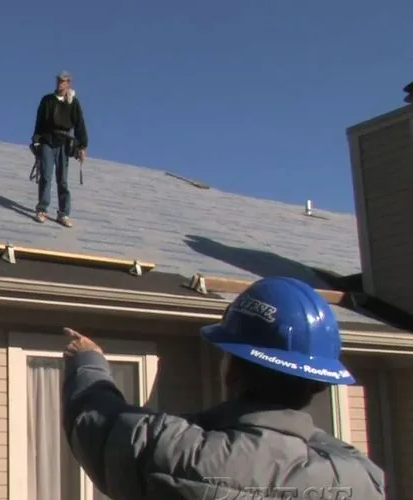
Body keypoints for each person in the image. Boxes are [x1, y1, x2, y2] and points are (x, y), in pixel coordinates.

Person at [61, 276, 385, 500]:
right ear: (317, 384)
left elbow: (96, 422)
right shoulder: (360, 480)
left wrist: (88, 359)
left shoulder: (175, 452)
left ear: (232, 373)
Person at [30, 71, 88, 227]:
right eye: (58, 81)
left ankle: (63, 213)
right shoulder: (47, 100)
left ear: (68, 83)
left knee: (62, 180)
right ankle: (42, 209)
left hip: (64, 142)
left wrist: (82, 146)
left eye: (63, 81)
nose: (60, 83)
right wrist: (36, 141)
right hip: (48, 140)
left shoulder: (73, 103)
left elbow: (80, 125)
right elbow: (39, 122)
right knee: (46, 176)